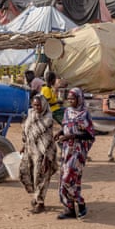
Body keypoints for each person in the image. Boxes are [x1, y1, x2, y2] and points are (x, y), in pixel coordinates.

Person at [54, 87, 95, 220]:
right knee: (67, 179)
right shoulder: (67, 112)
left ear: (79, 99)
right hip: (66, 150)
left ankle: (81, 202)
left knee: (68, 178)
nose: (70, 101)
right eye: (69, 99)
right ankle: (69, 209)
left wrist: (70, 137)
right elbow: (66, 126)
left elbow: (89, 135)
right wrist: (60, 133)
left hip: (78, 151)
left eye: (73, 98)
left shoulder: (84, 114)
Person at [19, 95, 58, 214]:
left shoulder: (47, 119)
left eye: (39, 105)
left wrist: (47, 158)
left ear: (44, 105)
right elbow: (26, 130)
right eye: (34, 105)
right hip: (30, 150)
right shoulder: (31, 114)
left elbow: (48, 140)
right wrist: (24, 145)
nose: (36, 107)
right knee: (26, 173)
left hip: (42, 154)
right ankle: (36, 197)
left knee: (40, 177)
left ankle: (40, 202)